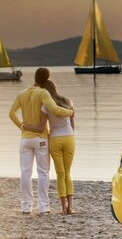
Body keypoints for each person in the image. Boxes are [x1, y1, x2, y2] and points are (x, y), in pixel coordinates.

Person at [9, 68, 73, 214]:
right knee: (43, 172)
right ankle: (43, 207)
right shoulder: (43, 93)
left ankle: (26, 206)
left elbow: (11, 114)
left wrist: (21, 126)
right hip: (41, 140)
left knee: (25, 173)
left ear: (35, 77)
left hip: (25, 139)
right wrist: (70, 112)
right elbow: (55, 110)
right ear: (46, 79)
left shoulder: (22, 93)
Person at [23, 80, 75, 215]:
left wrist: (26, 127)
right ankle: (71, 207)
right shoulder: (68, 102)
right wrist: (68, 132)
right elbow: (72, 124)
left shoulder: (45, 106)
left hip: (55, 139)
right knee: (68, 172)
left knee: (60, 173)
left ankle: (63, 208)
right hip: (69, 138)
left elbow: (41, 127)